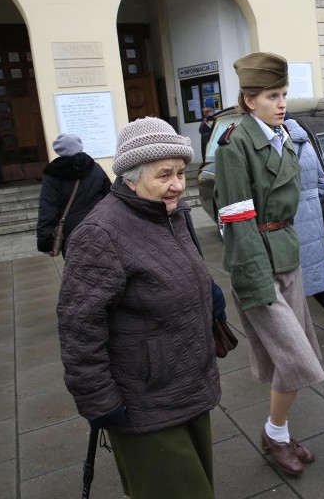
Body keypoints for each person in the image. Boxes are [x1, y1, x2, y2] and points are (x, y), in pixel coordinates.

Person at [56, 116, 224, 499]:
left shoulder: (170, 215)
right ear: (130, 177)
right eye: (164, 175)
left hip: (189, 386)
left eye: (182, 173)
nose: (178, 185)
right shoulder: (100, 233)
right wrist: (99, 401)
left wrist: (207, 294)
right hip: (143, 403)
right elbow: (79, 328)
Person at [214, 52, 324, 476]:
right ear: (248, 101)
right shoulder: (235, 145)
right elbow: (238, 221)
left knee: (290, 359)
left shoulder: (284, 136)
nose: (282, 103)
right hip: (256, 261)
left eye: (283, 95)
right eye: (272, 96)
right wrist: (255, 281)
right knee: (298, 360)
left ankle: (276, 433)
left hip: (287, 255)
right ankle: (274, 432)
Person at [284, 114, 324, 344]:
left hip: (290, 219)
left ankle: (297, 336)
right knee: (310, 271)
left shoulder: (279, 144)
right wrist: (310, 205)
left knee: (290, 277)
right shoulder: (308, 143)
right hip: (312, 217)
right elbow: (322, 183)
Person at [36, 133, 111, 257]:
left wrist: (46, 241)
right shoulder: (95, 168)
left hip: (72, 231)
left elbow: (47, 207)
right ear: (79, 147)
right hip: (100, 225)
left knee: (76, 270)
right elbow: (110, 196)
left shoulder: (53, 174)